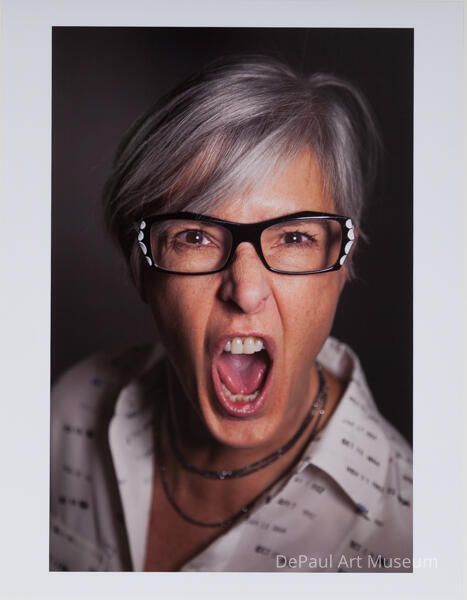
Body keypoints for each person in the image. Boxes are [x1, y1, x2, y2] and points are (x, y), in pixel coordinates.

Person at [50, 55, 412, 572]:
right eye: (195, 237)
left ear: (343, 265)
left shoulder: (409, 531)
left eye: (294, 237)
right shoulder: (66, 415)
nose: (245, 290)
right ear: (141, 268)